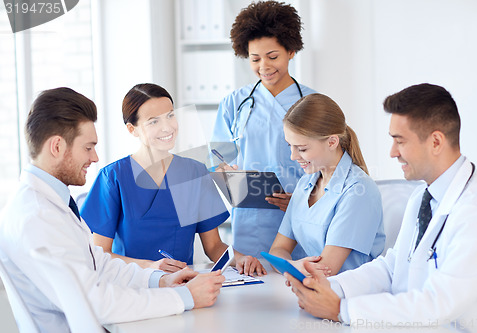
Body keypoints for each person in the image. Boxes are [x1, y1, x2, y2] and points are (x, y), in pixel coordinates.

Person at [0, 87, 225, 332]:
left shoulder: (49, 204)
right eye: (88, 147)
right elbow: (94, 301)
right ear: (56, 146)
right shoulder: (37, 215)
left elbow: (99, 264)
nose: (95, 157)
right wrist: (184, 297)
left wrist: (160, 280)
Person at [286, 84, 477, 329]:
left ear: (436, 142)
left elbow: (439, 304)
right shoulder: (422, 197)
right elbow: (392, 268)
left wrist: (341, 309)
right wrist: (330, 287)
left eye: (400, 141)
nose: (392, 153)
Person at [81, 83, 265, 276]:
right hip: (131, 286)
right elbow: (100, 254)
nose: (167, 127)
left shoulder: (195, 172)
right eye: (153, 121)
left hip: (183, 285)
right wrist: (149, 267)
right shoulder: (113, 177)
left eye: (170, 115)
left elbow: (214, 247)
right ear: (132, 129)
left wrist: (241, 258)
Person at [212, 0, 315, 258]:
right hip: (251, 220)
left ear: (291, 51)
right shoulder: (234, 103)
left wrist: (307, 201)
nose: (264, 67)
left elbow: (332, 165)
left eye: (272, 57)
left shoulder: (314, 104)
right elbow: (217, 158)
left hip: (302, 217)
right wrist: (227, 174)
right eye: (255, 59)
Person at [269, 94, 385, 276]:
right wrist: (294, 266)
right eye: (290, 146)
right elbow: (277, 250)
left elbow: (325, 270)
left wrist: (290, 267)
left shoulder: (358, 190)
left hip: (348, 296)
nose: (293, 156)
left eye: (302, 148)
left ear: (332, 142)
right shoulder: (305, 183)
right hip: (308, 289)